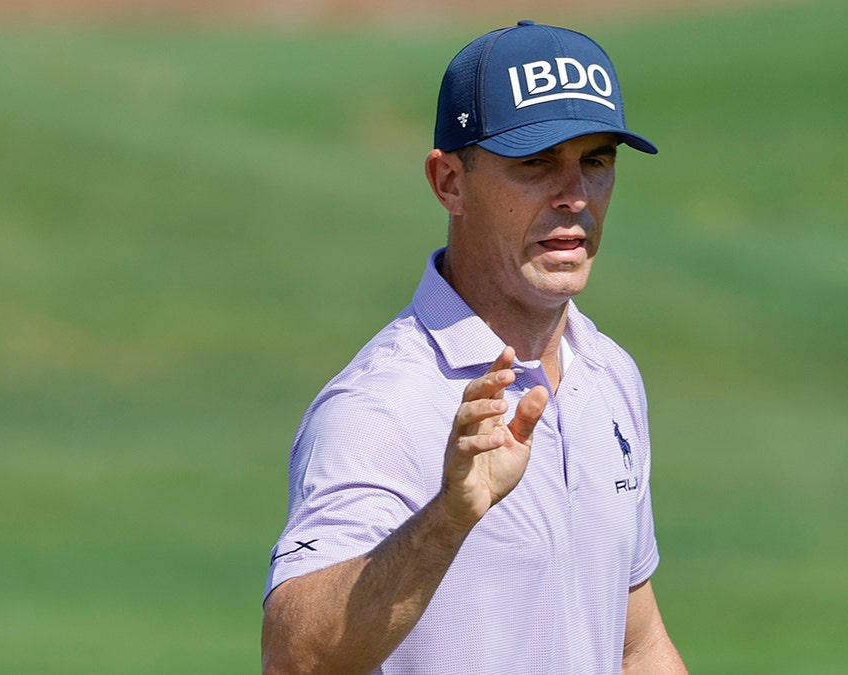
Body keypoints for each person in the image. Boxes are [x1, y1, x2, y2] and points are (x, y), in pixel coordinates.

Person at [261, 20, 687, 674]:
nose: (574, 196)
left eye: (596, 160)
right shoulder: (379, 407)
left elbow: (636, 645)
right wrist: (448, 517)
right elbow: (296, 657)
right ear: (449, 182)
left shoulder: (608, 372)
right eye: (536, 163)